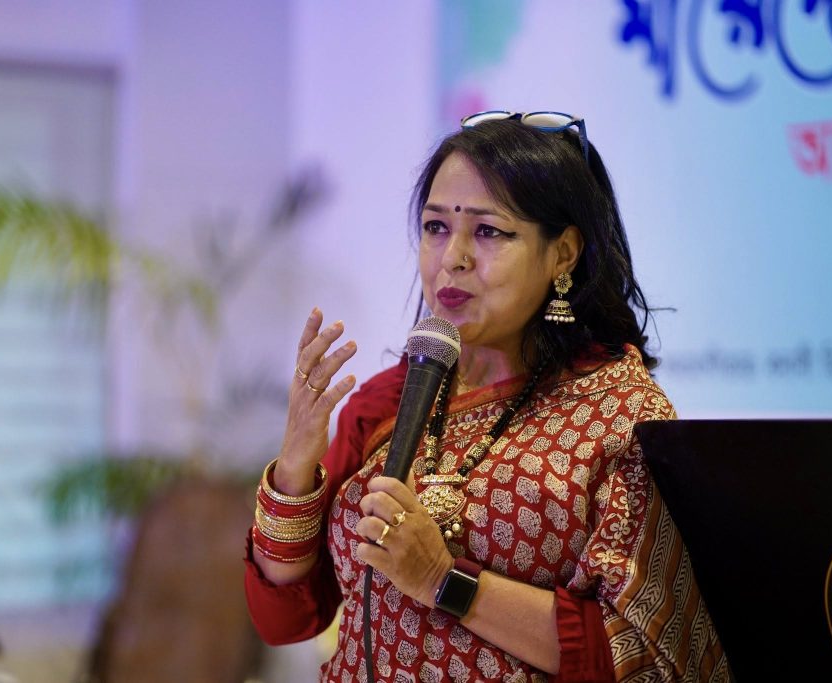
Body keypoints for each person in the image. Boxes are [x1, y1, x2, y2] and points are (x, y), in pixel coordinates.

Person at [244, 111, 728, 682]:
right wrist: (295, 469)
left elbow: (638, 650)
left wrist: (442, 580)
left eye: (489, 232)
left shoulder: (621, 414)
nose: (453, 257)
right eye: (436, 226)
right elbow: (286, 619)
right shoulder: (387, 401)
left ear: (563, 254)